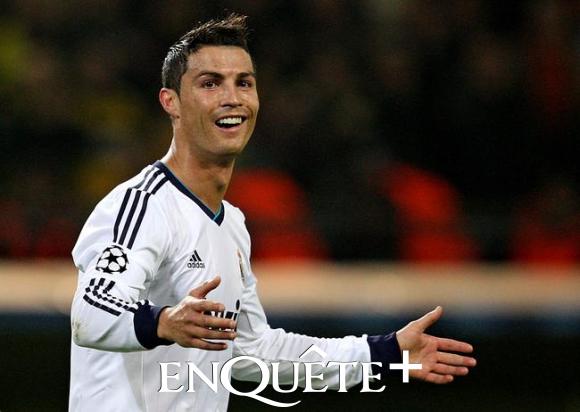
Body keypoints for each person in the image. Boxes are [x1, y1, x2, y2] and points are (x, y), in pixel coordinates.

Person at [69, 14, 476, 411]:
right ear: (170, 102)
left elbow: (253, 351)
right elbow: (91, 314)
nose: (232, 97)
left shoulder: (231, 224)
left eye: (244, 83)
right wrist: (162, 322)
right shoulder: (143, 206)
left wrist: (383, 352)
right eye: (210, 83)